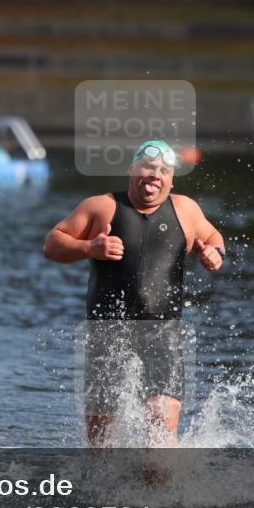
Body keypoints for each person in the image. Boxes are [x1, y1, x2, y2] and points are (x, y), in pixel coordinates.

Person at [43, 140, 225, 447]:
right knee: (103, 449)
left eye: (164, 171)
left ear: (171, 180)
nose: (155, 175)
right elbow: (52, 244)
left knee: (160, 443)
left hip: (163, 337)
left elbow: (212, 236)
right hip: (107, 336)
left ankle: (162, 479)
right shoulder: (101, 207)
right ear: (131, 169)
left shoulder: (186, 209)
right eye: (148, 167)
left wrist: (215, 252)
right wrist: (89, 247)